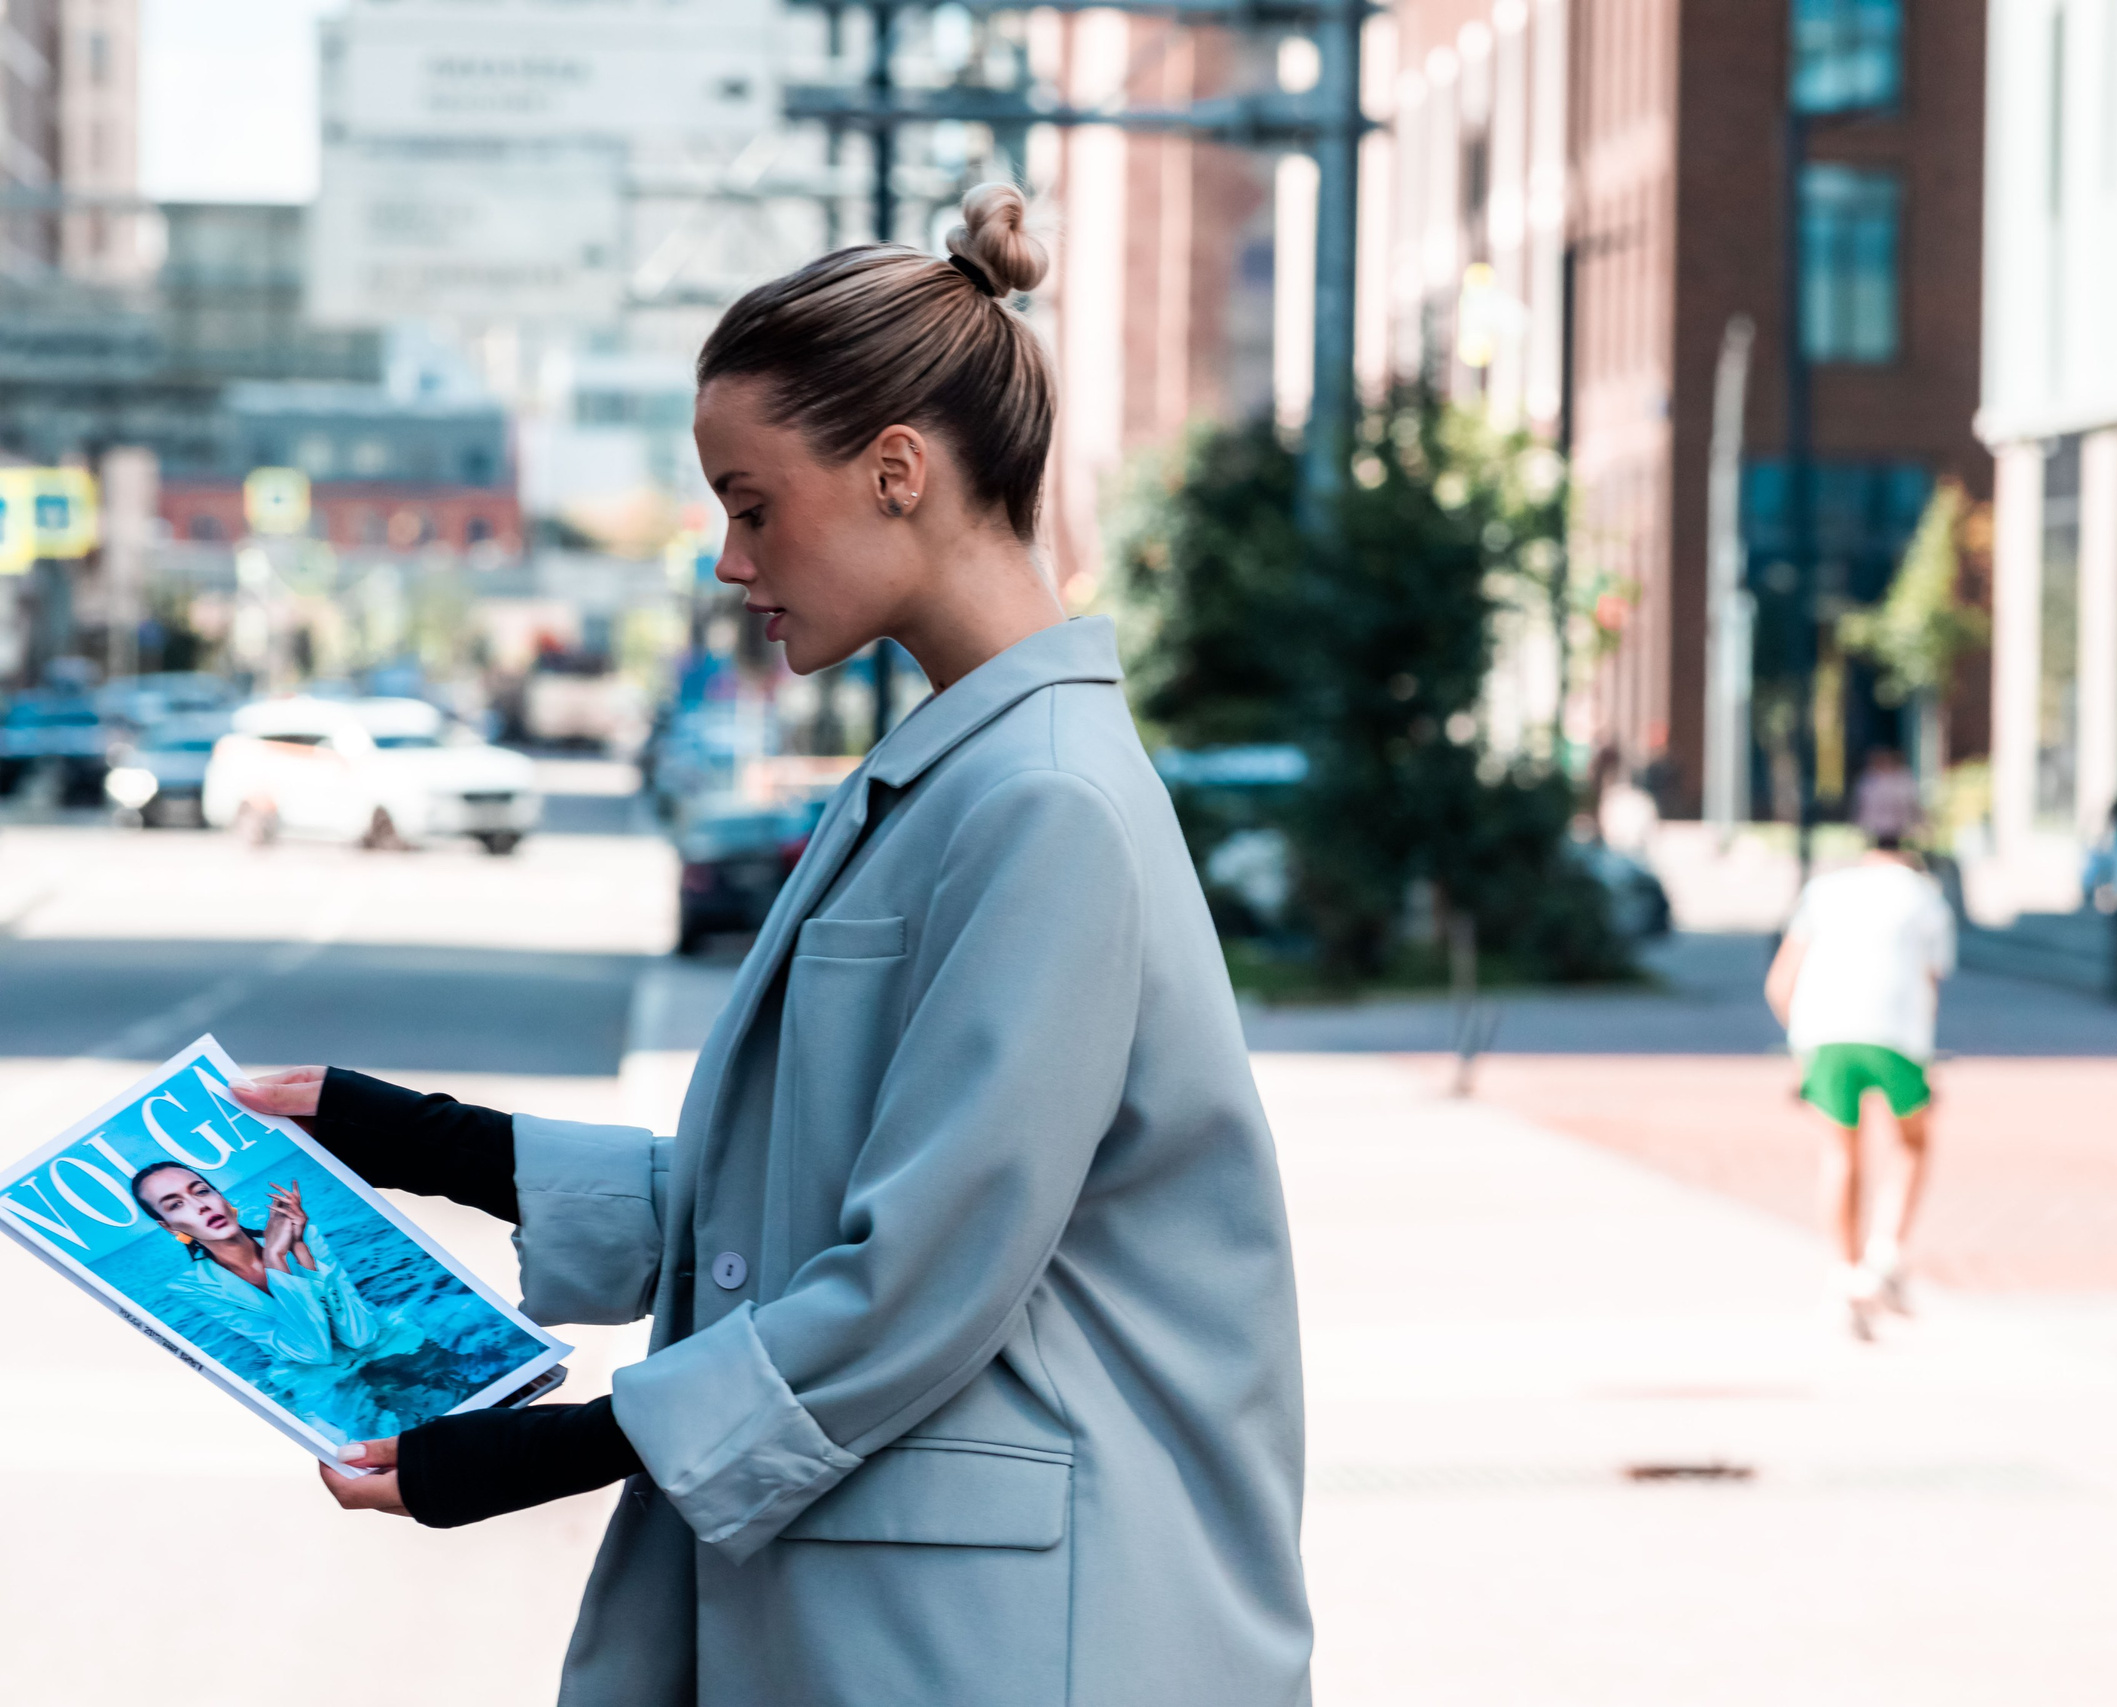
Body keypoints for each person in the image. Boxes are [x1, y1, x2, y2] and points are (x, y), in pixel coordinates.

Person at [229, 184, 1313, 1707]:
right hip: (918, 1613)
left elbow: (914, 1273)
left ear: (895, 472)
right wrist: (408, 1135)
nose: (730, 562)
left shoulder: (1044, 805)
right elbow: (802, 1194)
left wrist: (551, 1446)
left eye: (750, 504)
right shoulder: (968, 776)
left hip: (1008, 1639)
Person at [1763, 833, 1957, 1337]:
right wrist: (1925, 1059)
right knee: (1913, 1141)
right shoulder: (1927, 898)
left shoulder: (1824, 890)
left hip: (1823, 1034)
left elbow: (1780, 983)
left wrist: (1800, 1050)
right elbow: (1929, 984)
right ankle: (1887, 1255)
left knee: (1840, 1153)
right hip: (1896, 1032)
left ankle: (1848, 1277)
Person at [130, 1164, 380, 1366]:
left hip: (388, 1346)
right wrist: (274, 1259)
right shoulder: (193, 1286)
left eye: (201, 1191)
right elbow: (312, 1355)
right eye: (176, 1204)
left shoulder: (304, 1236)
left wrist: (301, 1251)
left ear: (221, 1197)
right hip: (329, 1387)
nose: (201, 1206)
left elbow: (361, 1336)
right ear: (169, 1226)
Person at [1850, 745, 1924, 845]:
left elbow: (1911, 803)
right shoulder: (1869, 780)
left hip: (1898, 828)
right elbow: (1862, 804)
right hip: (1876, 829)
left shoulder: (1903, 779)